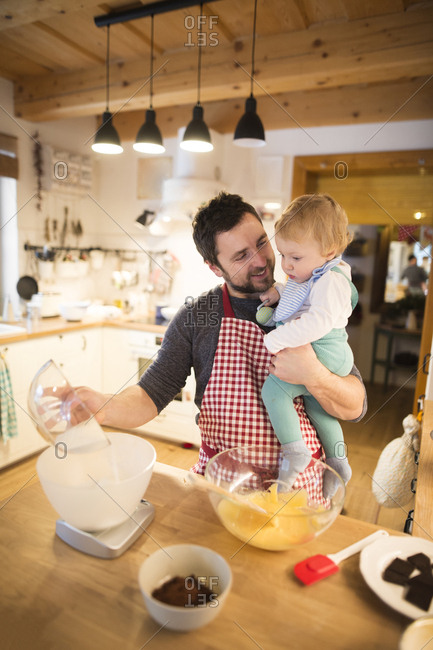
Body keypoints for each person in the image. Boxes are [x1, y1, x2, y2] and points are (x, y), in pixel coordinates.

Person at [76, 192, 366, 477]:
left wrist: (315, 376)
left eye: (262, 243)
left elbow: (355, 406)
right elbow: (151, 393)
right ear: (215, 267)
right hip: (223, 484)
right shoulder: (197, 317)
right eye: (241, 256)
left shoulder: (307, 301)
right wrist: (104, 407)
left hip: (299, 489)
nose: (261, 261)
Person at [257, 194, 356, 489]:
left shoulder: (332, 281)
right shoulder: (315, 273)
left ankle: (295, 452)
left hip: (327, 347)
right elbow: (299, 291)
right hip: (330, 350)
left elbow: (317, 321)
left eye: (295, 257)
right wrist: (278, 291)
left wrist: (275, 340)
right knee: (316, 408)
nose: (286, 265)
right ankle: (339, 463)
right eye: (283, 254)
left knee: (274, 391)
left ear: (330, 250)